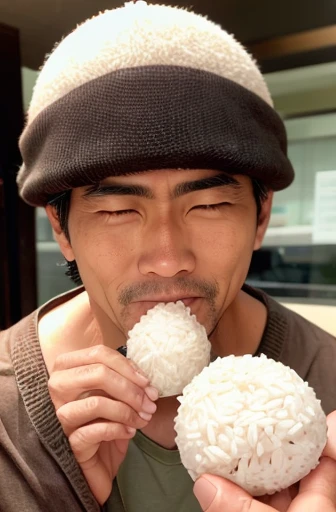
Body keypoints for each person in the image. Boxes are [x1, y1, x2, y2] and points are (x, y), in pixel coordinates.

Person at [0, 2, 335, 511]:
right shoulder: (8, 419)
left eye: (209, 204)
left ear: (261, 215)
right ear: (61, 228)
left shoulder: (329, 382)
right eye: (116, 210)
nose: (166, 258)